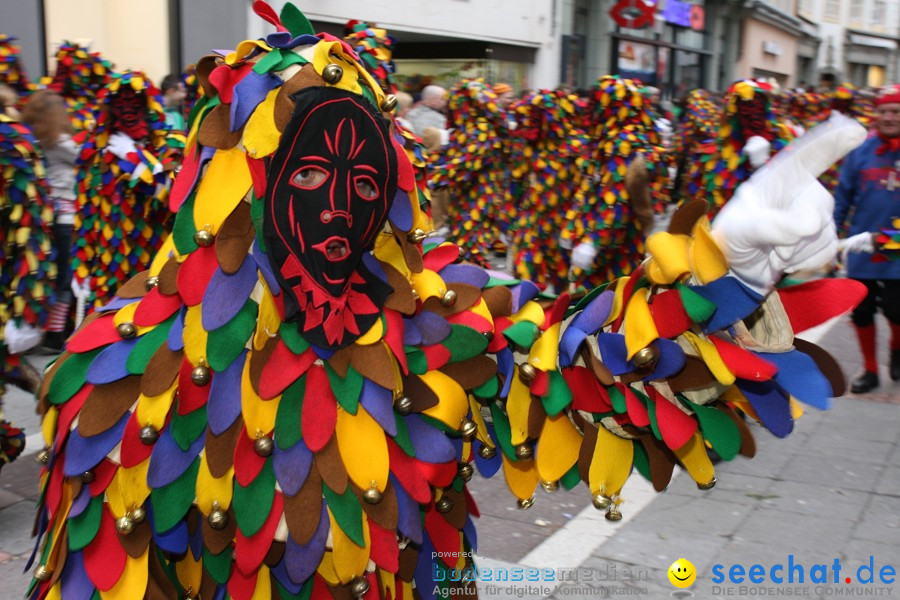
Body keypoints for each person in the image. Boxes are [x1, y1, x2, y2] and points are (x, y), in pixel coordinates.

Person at [26, 3, 873, 597]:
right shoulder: (122, 364)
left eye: (364, 179)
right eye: (310, 174)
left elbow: (600, 372)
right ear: (245, 185)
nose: (338, 206)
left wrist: (727, 278)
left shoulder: (438, 311)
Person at [833, 83, 900, 393]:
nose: (889, 117)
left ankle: (897, 353)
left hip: (897, 248)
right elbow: (842, 198)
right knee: (861, 311)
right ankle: (870, 370)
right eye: (884, 111)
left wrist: (890, 238)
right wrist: (832, 237)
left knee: (896, 308)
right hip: (862, 245)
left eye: (895, 111)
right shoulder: (861, 152)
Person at [22, 90, 79, 350]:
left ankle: (45, 328)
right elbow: (87, 158)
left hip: (44, 214)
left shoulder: (31, 141)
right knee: (66, 276)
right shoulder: (64, 144)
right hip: (66, 215)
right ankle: (57, 333)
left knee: (50, 273)